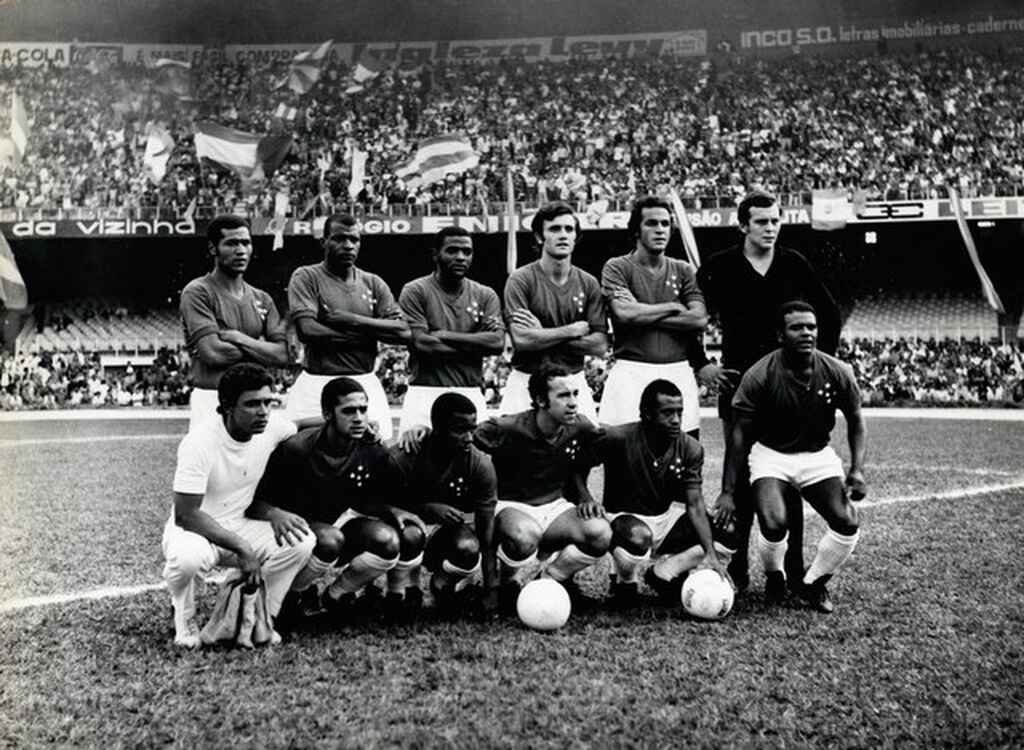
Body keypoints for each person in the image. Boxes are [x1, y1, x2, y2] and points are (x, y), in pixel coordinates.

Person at [697, 189, 842, 592]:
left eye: (775, 220)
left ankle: (792, 574)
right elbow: (692, 317)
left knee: (789, 480)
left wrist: (816, 366)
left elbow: (829, 314)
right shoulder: (721, 266)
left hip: (787, 391)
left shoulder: (793, 263)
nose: (770, 227)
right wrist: (701, 362)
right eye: (761, 221)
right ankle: (737, 570)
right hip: (740, 386)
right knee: (741, 480)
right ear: (743, 225)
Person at [714, 301, 866, 613]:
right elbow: (739, 437)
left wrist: (857, 469)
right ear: (781, 334)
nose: (807, 333)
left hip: (817, 456)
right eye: (797, 327)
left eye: (811, 327)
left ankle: (813, 583)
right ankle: (775, 574)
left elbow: (856, 420)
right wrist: (728, 491)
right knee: (773, 523)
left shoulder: (837, 371)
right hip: (771, 455)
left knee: (847, 521)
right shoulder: (760, 374)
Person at [161, 362, 314, 648]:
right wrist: (242, 547)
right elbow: (186, 515)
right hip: (197, 529)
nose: (264, 411)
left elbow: (303, 424)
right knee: (187, 558)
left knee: (302, 541)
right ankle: (185, 617)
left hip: (240, 522)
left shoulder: (270, 426)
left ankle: (261, 616)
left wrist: (362, 424)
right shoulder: (199, 442)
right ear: (228, 406)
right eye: (253, 404)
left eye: (269, 402)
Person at [256, 376, 426, 622]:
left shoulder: (370, 447)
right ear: (328, 414)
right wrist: (276, 515)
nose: (358, 417)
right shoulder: (298, 449)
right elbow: (259, 501)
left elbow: (366, 499)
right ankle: (294, 593)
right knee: (329, 538)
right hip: (289, 537)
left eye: (363, 410)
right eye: (348, 411)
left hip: (335, 524)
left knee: (388, 540)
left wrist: (392, 510)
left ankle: (337, 595)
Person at [475, 363, 611, 612]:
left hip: (555, 507)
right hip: (512, 507)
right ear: (540, 400)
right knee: (525, 536)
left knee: (600, 533)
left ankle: (553, 578)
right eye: (563, 395)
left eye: (575, 394)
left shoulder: (580, 426)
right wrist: (422, 432)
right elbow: (461, 436)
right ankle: (507, 583)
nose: (573, 402)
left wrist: (583, 495)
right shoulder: (507, 428)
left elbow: (605, 444)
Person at [593, 379, 734, 608]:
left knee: (727, 529)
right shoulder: (616, 438)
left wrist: (710, 554)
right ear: (646, 413)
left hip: (664, 519)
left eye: (679, 412)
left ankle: (663, 573)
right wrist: (585, 498)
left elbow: (695, 503)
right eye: (667, 413)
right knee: (639, 536)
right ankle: (625, 581)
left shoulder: (690, 447)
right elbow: (578, 465)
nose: (676, 420)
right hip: (624, 522)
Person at [285, 214, 410, 438]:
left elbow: (403, 331)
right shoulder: (306, 276)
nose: (349, 245)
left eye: (354, 239)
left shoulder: (373, 283)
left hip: (365, 382)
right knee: (307, 456)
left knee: (376, 455)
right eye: (340, 239)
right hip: (317, 384)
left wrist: (353, 320)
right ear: (324, 242)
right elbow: (308, 330)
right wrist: (370, 335)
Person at [599, 196, 708, 435]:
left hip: (678, 369)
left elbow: (698, 319)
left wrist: (643, 312)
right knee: (624, 459)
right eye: (651, 223)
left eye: (665, 223)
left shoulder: (683, 269)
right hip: (630, 370)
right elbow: (625, 313)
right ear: (636, 230)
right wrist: (673, 306)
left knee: (681, 455)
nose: (660, 229)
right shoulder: (617, 267)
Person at [500, 201, 607, 426]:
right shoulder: (520, 280)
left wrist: (543, 334)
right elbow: (522, 340)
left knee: (584, 454)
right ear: (539, 237)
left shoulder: (588, 283)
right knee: (516, 457)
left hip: (572, 381)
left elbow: (599, 346)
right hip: (526, 380)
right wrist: (571, 331)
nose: (563, 235)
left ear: (576, 237)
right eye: (555, 229)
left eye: (569, 229)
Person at [390, 392, 498, 615]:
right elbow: (381, 505)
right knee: (409, 534)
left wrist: (491, 590)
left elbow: (487, 536)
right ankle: (403, 590)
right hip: (408, 532)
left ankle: (441, 585)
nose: (469, 437)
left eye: (472, 429)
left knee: (469, 547)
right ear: (437, 428)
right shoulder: (405, 456)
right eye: (460, 430)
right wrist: (426, 508)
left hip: (446, 535)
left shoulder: (480, 464)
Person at [179, 215, 289, 429]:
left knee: (258, 461)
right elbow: (213, 353)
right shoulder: (198, 292)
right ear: (213, 249)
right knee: (210, 462)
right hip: (213, 398)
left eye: (246, 243)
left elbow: (283, 355)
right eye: (231, 243)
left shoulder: (262, 298)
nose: (241, 250)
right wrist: (262, 349)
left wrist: (239, 338)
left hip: (255, 401)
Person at [397, 227, 504, 432]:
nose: (461, 257)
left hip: (470, 392)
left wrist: (443, 335)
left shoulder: (485, 295)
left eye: (467, 252)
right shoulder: (415, 290)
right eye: (452, 250)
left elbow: (497, 344)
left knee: (475, 460)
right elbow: (422, 344)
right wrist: (476, 343)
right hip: (425, 392)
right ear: (435, 254)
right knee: (415, 461)